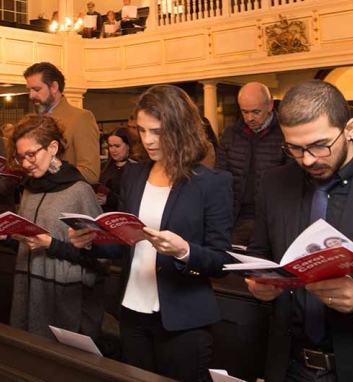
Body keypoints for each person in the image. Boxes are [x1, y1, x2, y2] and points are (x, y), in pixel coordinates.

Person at [70, 84, 232, 382]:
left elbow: (221, 261)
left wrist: (185, 251)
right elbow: (124, 244)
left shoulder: (211, 183)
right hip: (132, 311)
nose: (148, 140)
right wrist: (91, 241)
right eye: (142, 131)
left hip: (184, 318)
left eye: (156, 131)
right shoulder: (133, 175)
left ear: (180, 128)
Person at [246, 79, 353, 382]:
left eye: (319, 145)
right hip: (289, 364)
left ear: (350, 130)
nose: (308, 160)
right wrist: (259, 285)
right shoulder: (274, 184)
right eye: (294, 148)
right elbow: (260, 254)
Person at [0, 114, 105, 339]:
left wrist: (51, 244)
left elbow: (99, 258)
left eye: (31, 154)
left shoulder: (79, 190)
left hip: (62, 297)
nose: (26, 163)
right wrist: (5, 238)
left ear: (52, 147)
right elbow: (30, 243)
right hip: (28, 290)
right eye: (20, 157)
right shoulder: (29, 189)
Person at [216, 82, 288, 246]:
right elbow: (220, 175)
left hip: (272, 219)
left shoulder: (284, 134)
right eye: (244, 112)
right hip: (237, 218)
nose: (250, 118)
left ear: (269, 105)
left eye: (256, 112)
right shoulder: (231, 134)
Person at [24, 62, 100, 183]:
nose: (31, 95)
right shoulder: (30, 121)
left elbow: (90, 173)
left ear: (54, 87)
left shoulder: (81, 118)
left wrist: (48, 172)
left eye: (37, 89)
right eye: (30, 90)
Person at [98, 127, 136, 212]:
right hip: (104, 215)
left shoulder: (136, 168)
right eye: (110, 146)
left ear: (128, 146)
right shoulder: (104, 166)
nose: (113, 150)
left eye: (117, 146)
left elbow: (134, 200)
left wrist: (109, 200)